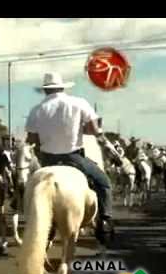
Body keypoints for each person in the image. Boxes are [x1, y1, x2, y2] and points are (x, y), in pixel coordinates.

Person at [25, 72, 114, 246]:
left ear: (45, 91)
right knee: (103, 183)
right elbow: (95, 130)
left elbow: (32, 140)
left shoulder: (36, 109)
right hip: (73, 157)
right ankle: (104, 222)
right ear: (63, 87)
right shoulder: (78, 103)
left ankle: (23, 210)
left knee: (27, 185)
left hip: (47, 160)